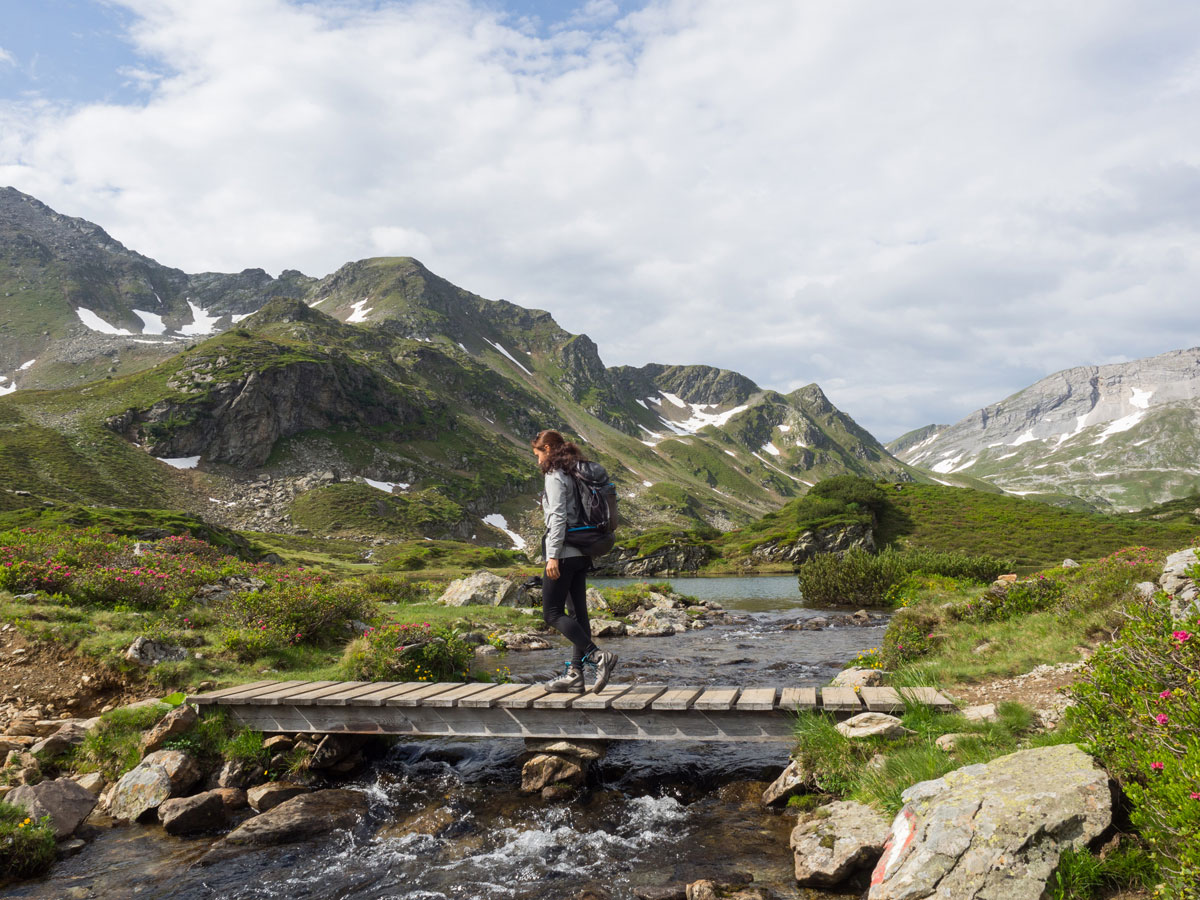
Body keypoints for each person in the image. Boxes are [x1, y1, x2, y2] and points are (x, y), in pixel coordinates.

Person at [532, 429, 618, 693]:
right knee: (579, 616)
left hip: (565, 553)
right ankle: (575, 675)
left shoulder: (555, 475)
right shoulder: (575, 471)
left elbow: (558, 516)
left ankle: (596, 656)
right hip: (582, 553)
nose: (537, 461)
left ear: (547, 449)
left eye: (537, 454)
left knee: (552, 613)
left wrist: (553, 556)